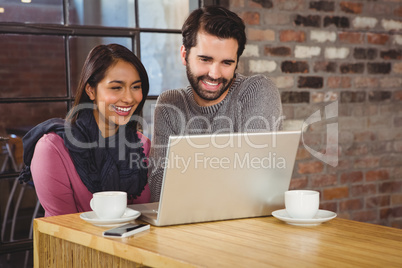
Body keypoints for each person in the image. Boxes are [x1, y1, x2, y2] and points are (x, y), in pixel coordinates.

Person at [148, 6, 283, 201]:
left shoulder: (257, 90)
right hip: (184, 225)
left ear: (236, 62)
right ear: (184, 55)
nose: (215, 74)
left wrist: (184, 170)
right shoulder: (170, 104)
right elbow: (158, 190)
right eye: (205, 59)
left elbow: (255, 183)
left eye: (226, 63)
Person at [18, 44, 151, 217]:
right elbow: (64, 228)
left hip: (132, 242)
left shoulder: (141, 145)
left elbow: (143, 217)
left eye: (135, 87)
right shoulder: (52, 149)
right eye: (116, 87)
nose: (129, 98)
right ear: (91, 90)